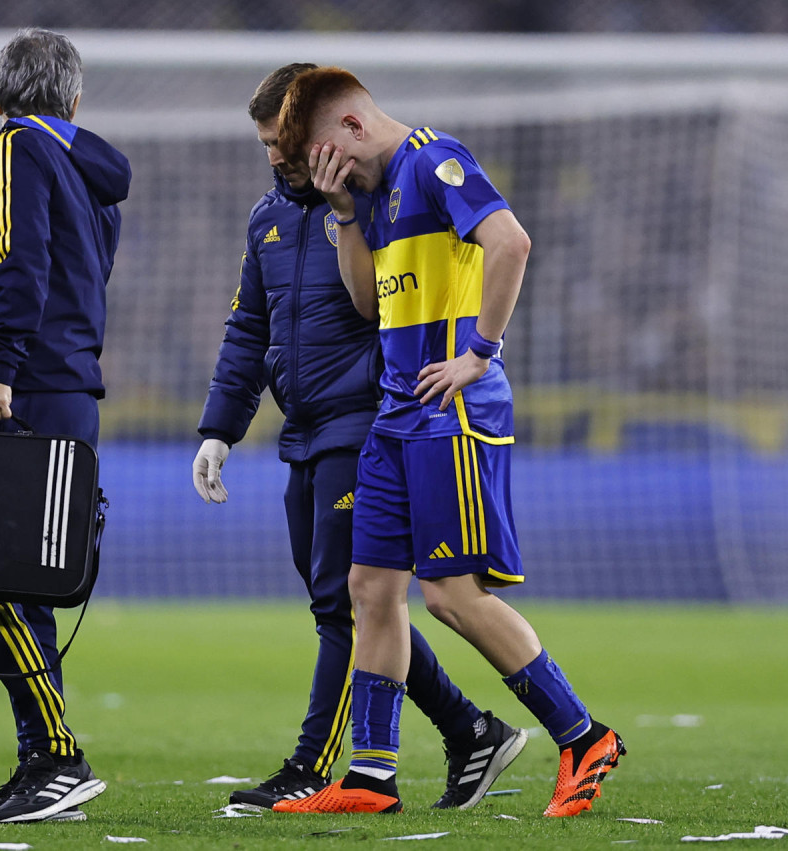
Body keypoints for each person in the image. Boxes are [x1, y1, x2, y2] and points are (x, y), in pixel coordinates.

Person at [270, 67, 626, 817]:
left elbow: (511, 242)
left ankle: (583, 733)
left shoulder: (436, 160)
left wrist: (480, 353)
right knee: (369, 589)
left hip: (452, 414)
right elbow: (368, 303)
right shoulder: (369, 194)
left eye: (331, 158)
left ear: (355, 127)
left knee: (453, 597)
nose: (330, 172)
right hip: (397, 416)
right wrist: (341, 211)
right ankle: (370, 775)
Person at [193, 63, 527, 812]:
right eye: (270, 146)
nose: (279, 157)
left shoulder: (380, 201)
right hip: (302, 429)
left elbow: (389, 309)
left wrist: (476, 351)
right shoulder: (268, 221)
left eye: (284, 140)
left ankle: (321, 764)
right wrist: (220, 429)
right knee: (351, 602)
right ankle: (470, 729)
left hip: (367, 420)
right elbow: (248, 329)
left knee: (355, 604)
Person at [0, 27, 131, 824]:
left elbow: (16, 263)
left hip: (27, 389)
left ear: (1, 98)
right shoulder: (91, 173)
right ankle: (49, 768)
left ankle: (56, 755)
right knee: (25, 585)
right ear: (75, 101)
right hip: (67, 391)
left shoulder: (12, 150)